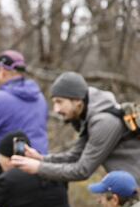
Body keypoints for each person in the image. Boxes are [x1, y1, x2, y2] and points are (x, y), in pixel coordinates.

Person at [12, 71, 140, 182]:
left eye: (59, 102)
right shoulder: (89, 117)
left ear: (77, 100)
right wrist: (40, 158)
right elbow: (75, 156)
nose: (56, 109)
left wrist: (38, 167)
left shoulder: (104, 122)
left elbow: (82, 170)